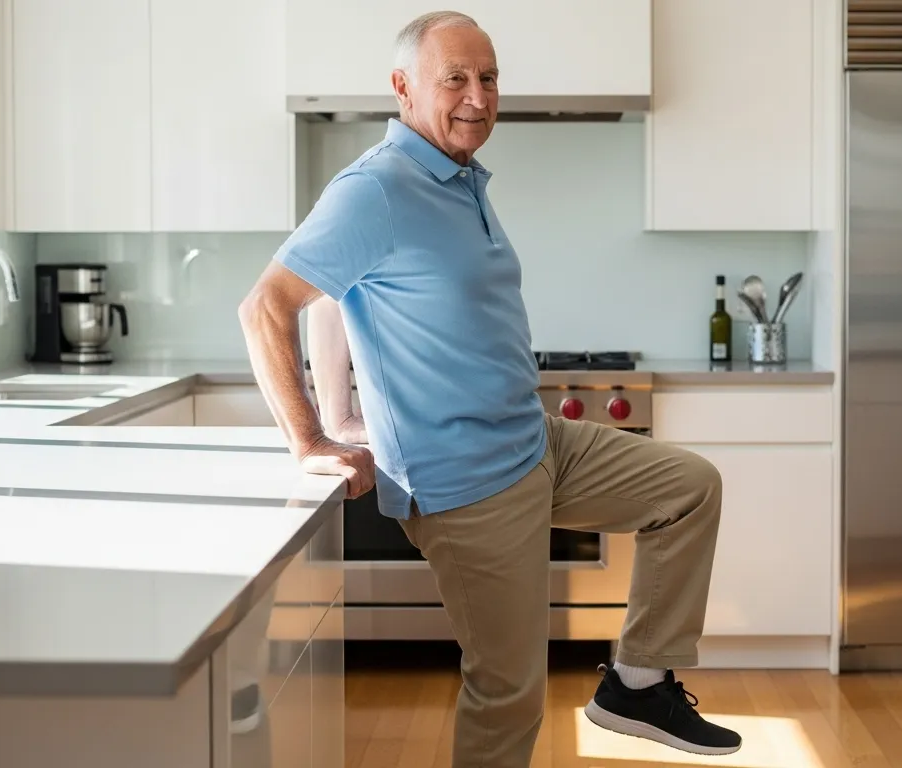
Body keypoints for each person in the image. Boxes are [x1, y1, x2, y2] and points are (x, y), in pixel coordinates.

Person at [238, 10, 742, 765]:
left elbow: (342, 294)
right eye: (456, 79)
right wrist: (310, 436)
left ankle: (636, 683)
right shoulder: (376, 188)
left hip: (537, 441)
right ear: (403, 88)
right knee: (508, 693)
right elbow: (268, 304)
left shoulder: (459, 176)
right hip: (465, 485)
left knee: (689, 488)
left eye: (490, 77)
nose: (479, 96)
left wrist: (341, 407)